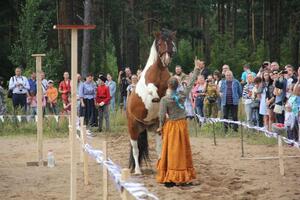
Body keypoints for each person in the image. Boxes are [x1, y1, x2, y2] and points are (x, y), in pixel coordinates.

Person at [156, 59, 200, 187]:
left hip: (171, 126)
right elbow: (191, 83)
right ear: (177, 85)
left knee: (171, 150)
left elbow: (161, 115)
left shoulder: (165, 99)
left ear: (168, 86)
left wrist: (160, 127)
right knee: (182, 150)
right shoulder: (181, 95)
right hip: (182, 125)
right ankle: (182, 175)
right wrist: (196, 69)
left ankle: (170, 175)